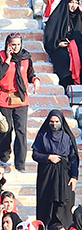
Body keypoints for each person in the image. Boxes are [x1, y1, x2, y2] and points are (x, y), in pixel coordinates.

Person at [31, 110, 79, 229]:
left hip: (64, 174)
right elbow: (35, 154)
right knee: (46, 204)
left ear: (61, 122)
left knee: (63, 206)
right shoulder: (43, 136)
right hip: (46, 175)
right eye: (51, 122)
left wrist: (74, 176)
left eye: (57, 121)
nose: (54, 124)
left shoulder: (67, 137)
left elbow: (73, 158)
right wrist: (48, 157)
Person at [0, 34, 39, 173]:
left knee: (21, 131)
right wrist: (8, 60)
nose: (15, 47)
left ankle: (20, 163)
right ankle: (4, 157)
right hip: (4, 97)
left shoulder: (25, 57)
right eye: (13, 44)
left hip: (21, 99)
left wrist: (35, 79)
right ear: (7, 44)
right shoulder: (1, 56)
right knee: (6, 129)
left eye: (18, 44)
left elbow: (30, 74)